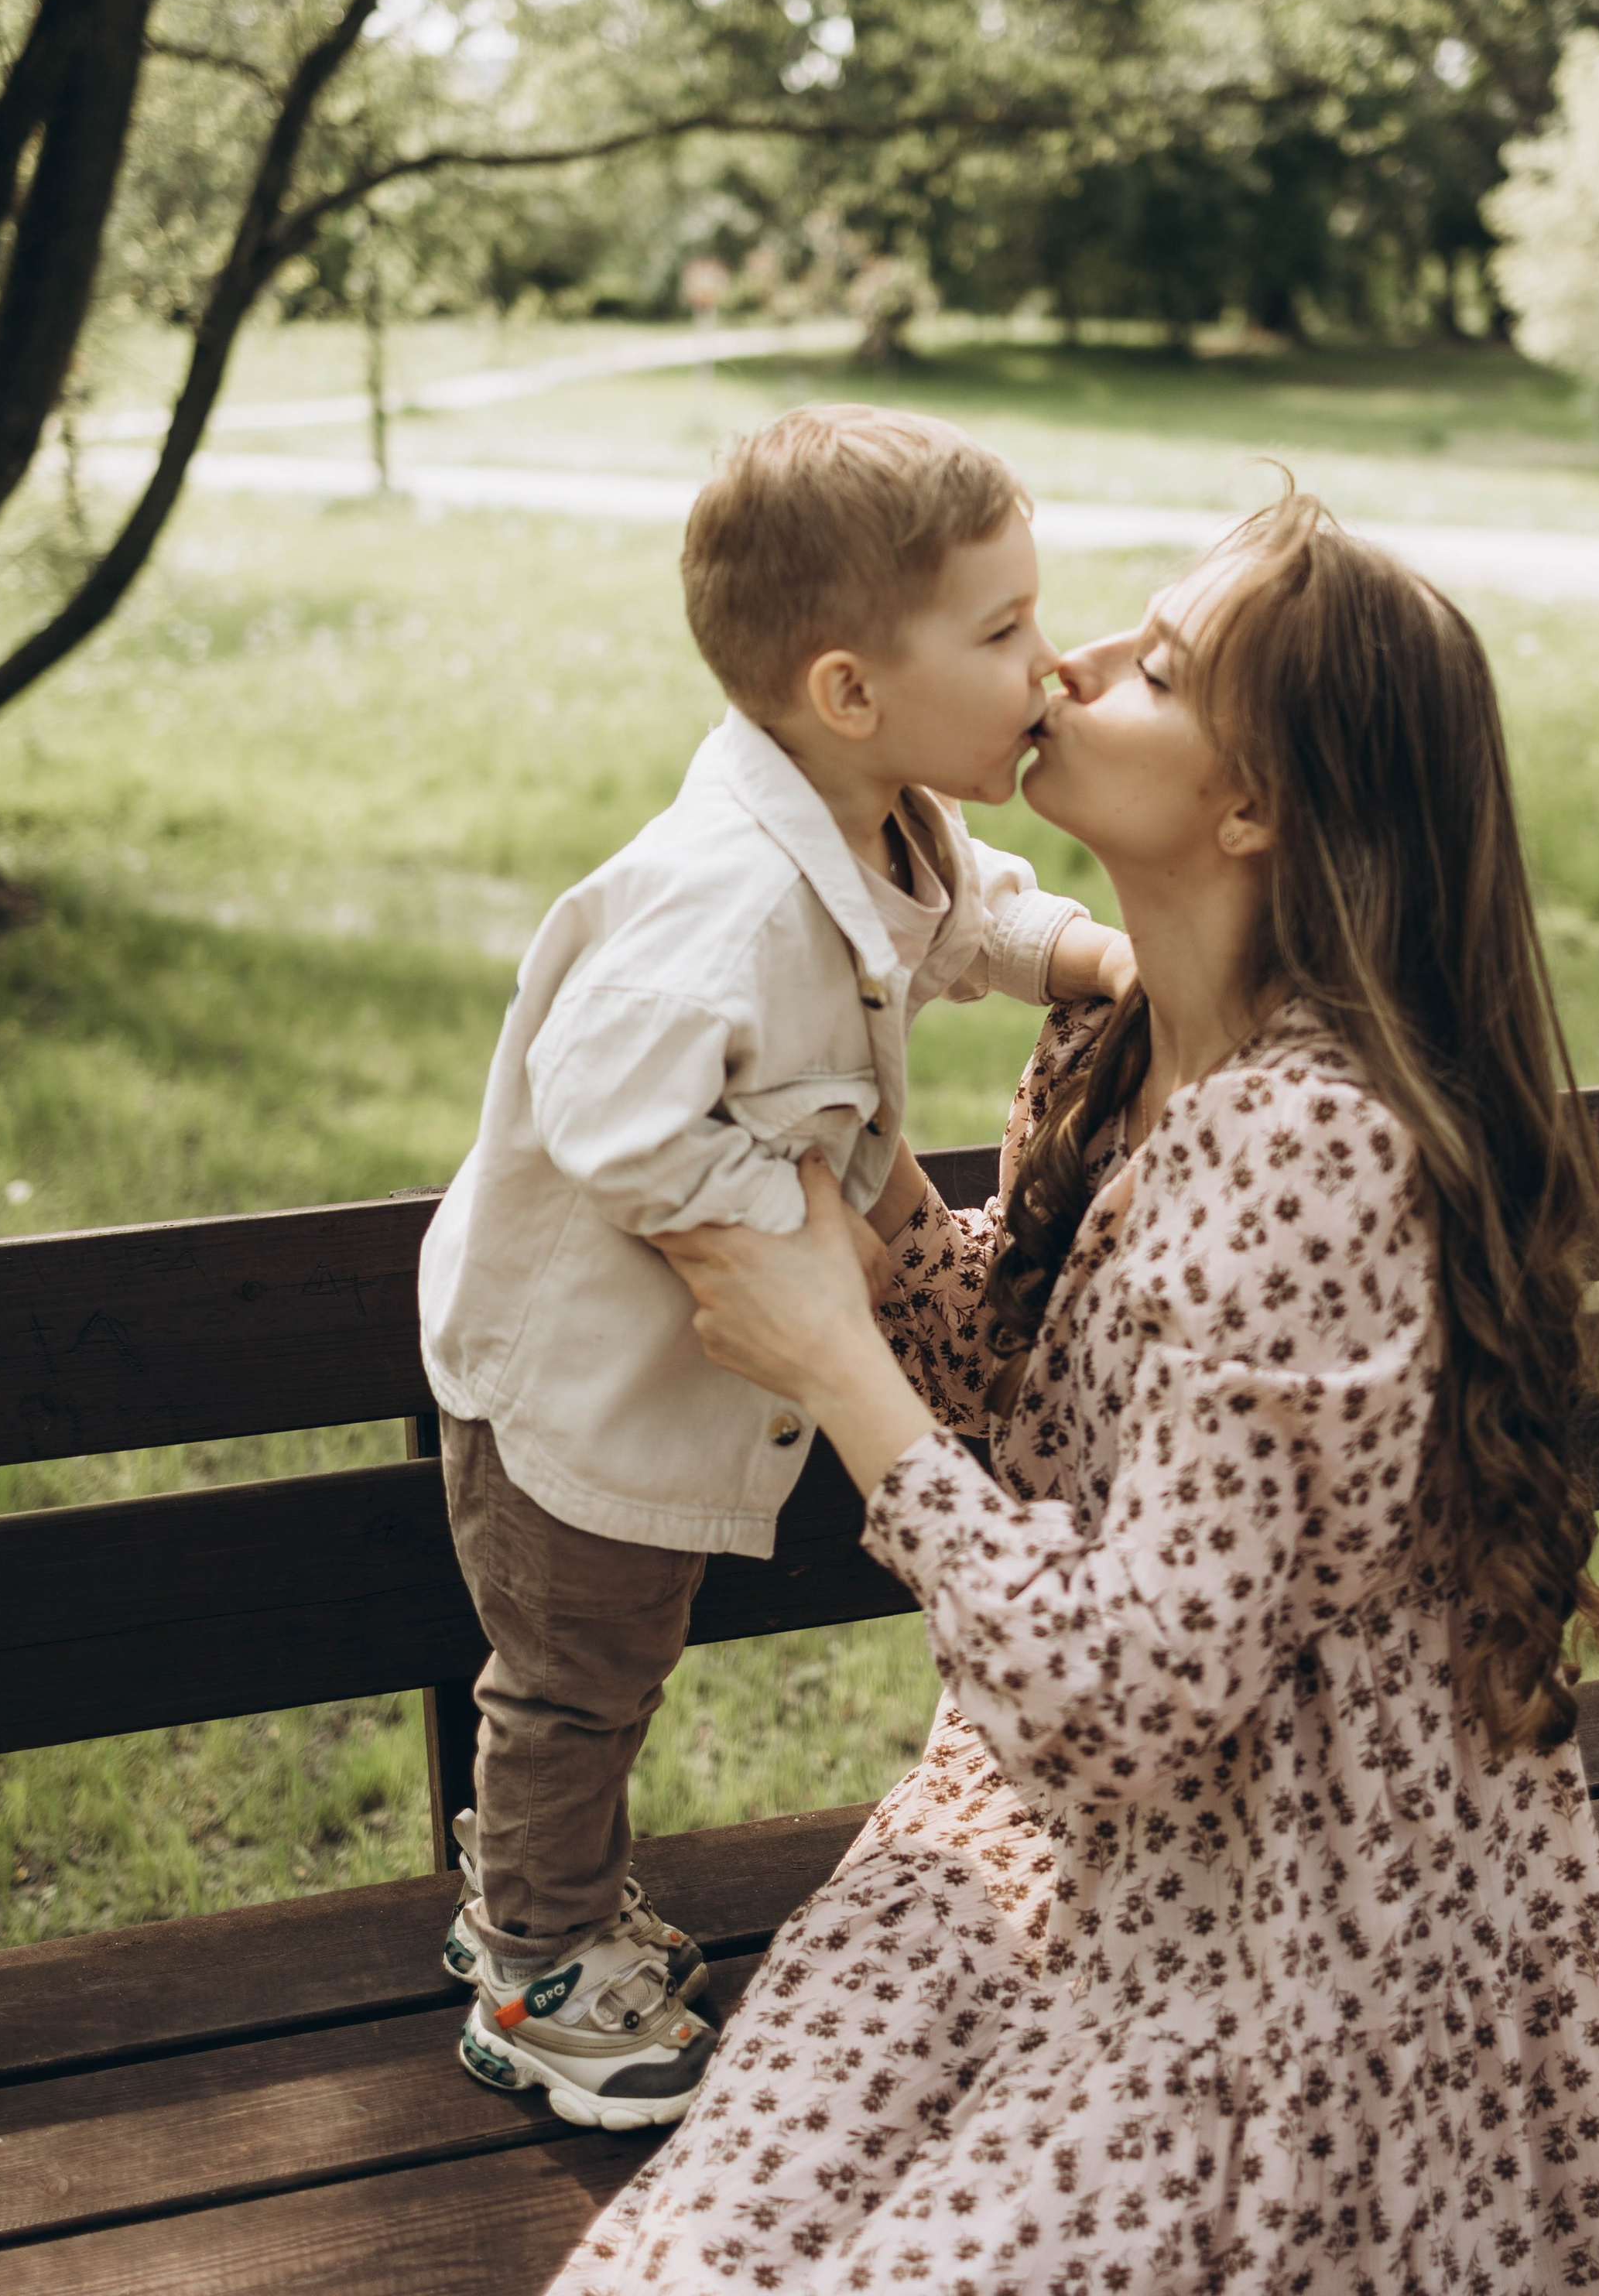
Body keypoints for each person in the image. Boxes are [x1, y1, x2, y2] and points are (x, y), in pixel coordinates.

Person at [545, 489, 1599, 2294]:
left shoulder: (1311, 1151)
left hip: (1281, 1928)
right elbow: (1048, 1397)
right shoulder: (1114, 1043)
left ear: (1253, 808)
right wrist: (862, 1199)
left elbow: (1139, 1699)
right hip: (1038, 1838)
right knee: (692, 2258)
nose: (1064, 665)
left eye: (1155, 667)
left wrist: (836, 1367)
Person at [420, 406, 1132, 2131]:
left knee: (613, 1671)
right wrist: (823, 1217)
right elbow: (609, 1111)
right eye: (1002, 632)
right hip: (581, 1398)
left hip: (674, 1384)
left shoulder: (879, 820)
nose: (1049, 666)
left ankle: (534, 1889)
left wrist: (1098, 959)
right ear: (849, 690)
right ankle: (534, 1966)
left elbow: (966, 920)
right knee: (575, 1687)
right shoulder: (723, 902)